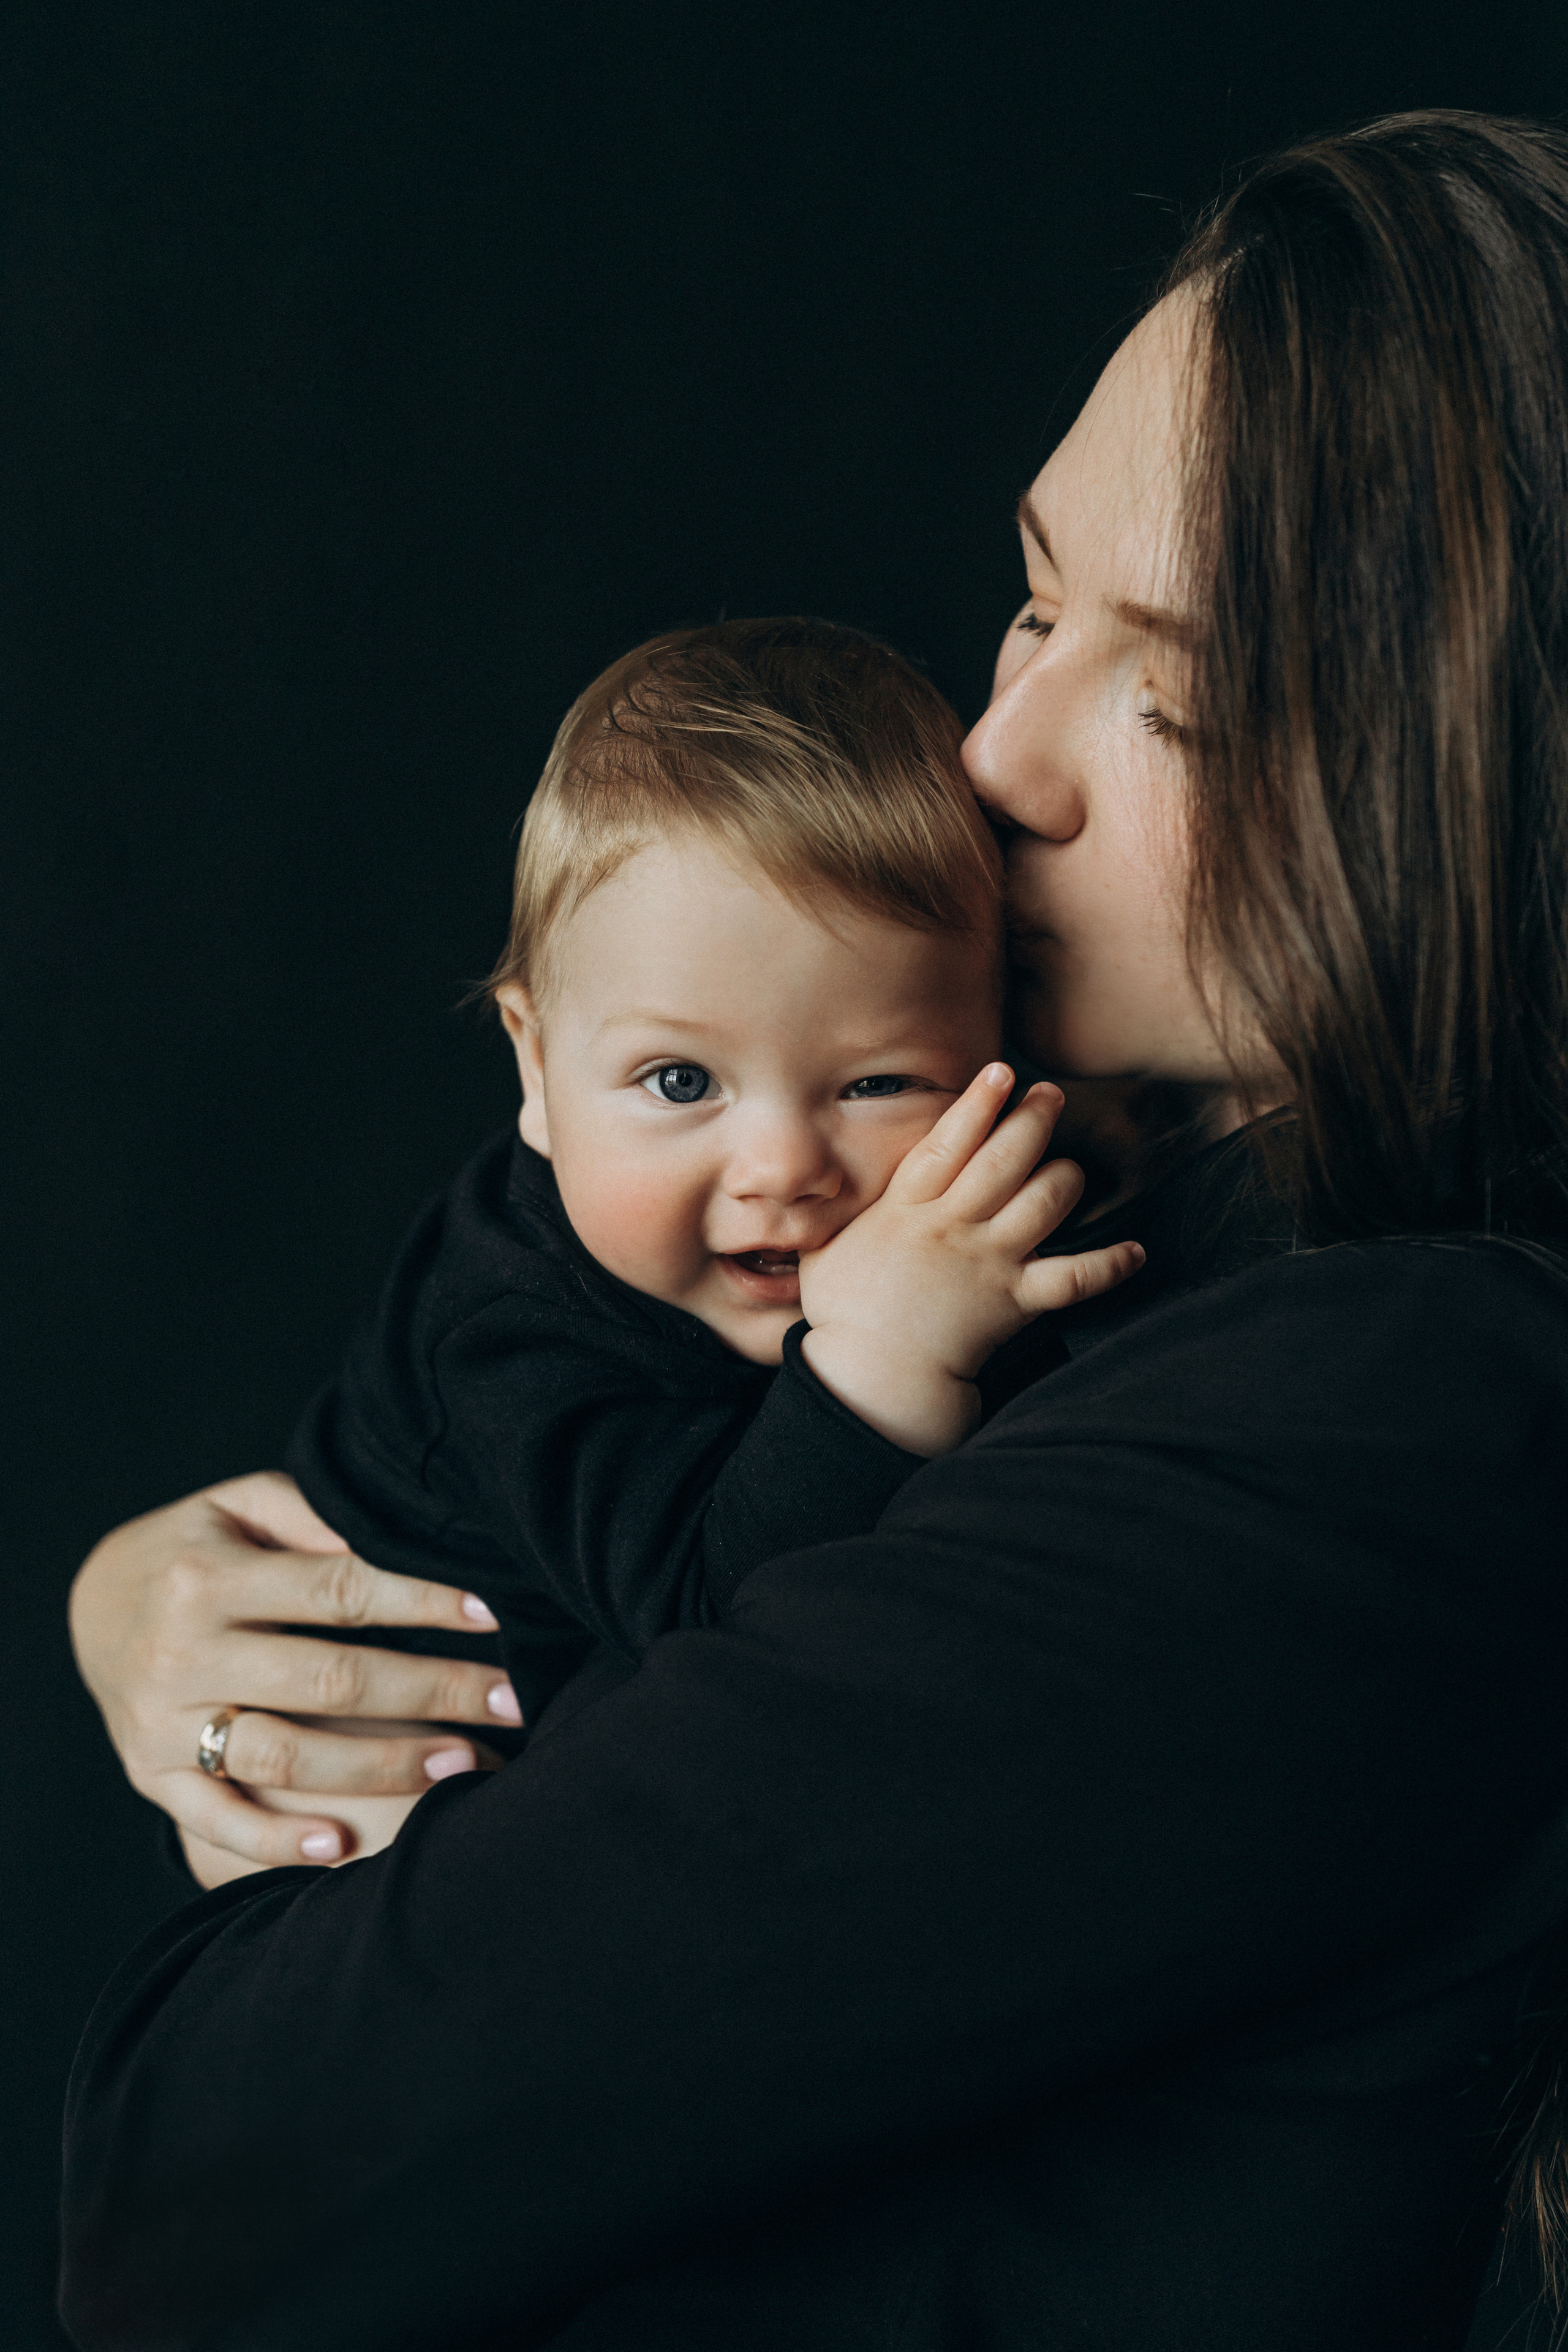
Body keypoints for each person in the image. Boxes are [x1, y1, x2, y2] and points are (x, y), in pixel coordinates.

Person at [61, 110, 1568, 2350]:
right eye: (1035, 603)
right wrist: (177, 1610)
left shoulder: (1402, 1411)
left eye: (1178, 684)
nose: (995, 756)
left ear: (1480, 767)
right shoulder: (1090, 1213)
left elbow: (201, 2196)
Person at [272, 616, 1137, 1861]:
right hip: (371, 1841)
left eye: (879, 1082)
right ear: (534, 1062)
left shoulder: (980, 1202)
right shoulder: (507, 1328)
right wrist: (879, 1362)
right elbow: (715, 1631)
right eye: (680, 1082)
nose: (782, 1168)